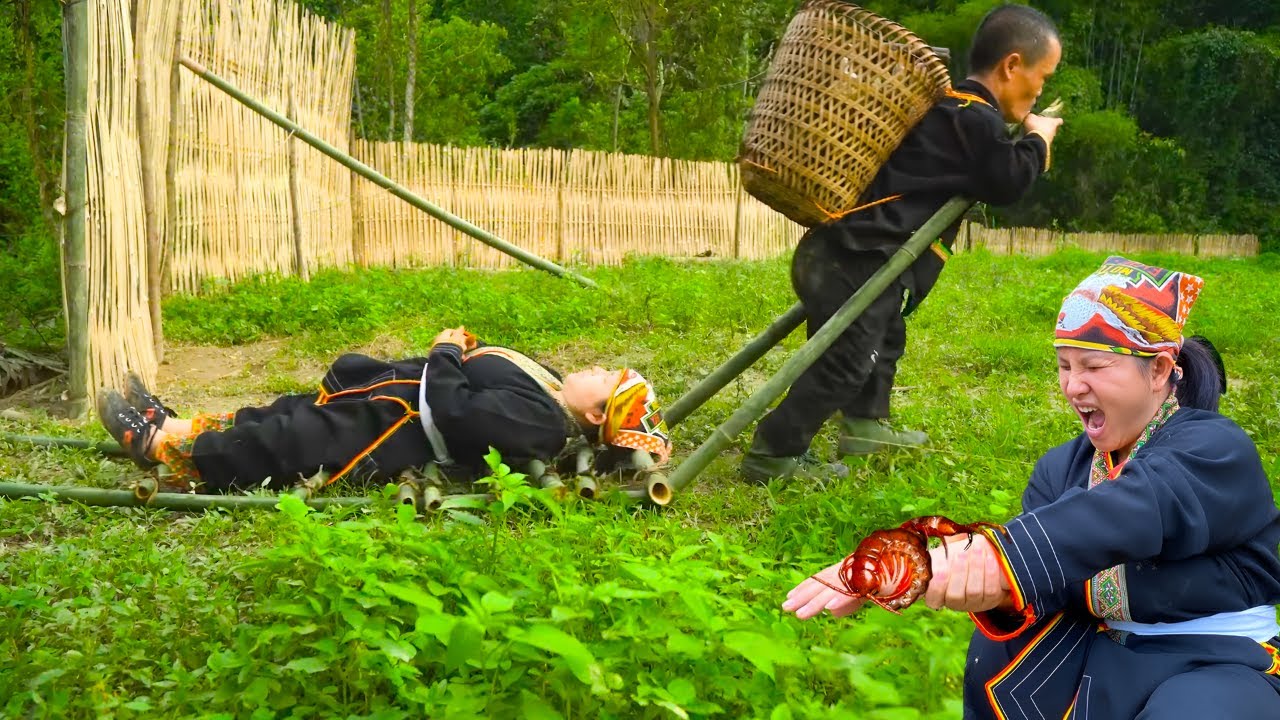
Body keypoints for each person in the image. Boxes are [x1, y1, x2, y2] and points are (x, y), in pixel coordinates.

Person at [782, 257, 1280, 718]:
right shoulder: (1060, 468)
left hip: (1214, 658)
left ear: (1159, 370)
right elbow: (1041, 582)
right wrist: (971, 583)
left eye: (1093, 366)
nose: (1073, 386)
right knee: (997, 656)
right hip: (1101, 651)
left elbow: (1136, 507)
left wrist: (978, 557)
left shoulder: (1215, 448)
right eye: (1065, 366)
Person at [742, 4, 1065, 483]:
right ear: (1012, 65)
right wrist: (1038, 139)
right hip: (857, 260)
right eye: (1043, 76)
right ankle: (772, 453)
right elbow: (1007, 180)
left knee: (885, 336)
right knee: (845, 360)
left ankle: (865, 424)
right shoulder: (974, 119)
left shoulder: (950, 110)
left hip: (840, 253)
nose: (1040, 90)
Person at [96, 326, 672, 493]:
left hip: (391, 430)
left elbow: (457, 411)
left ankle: (158, 447)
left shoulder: (541, 422)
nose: (598, 368)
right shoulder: (548, 388)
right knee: (279, 413)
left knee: (287, 439)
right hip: (388, 397)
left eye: (606, 380)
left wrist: (446, 351)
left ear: (594, 416)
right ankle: (171, 423)